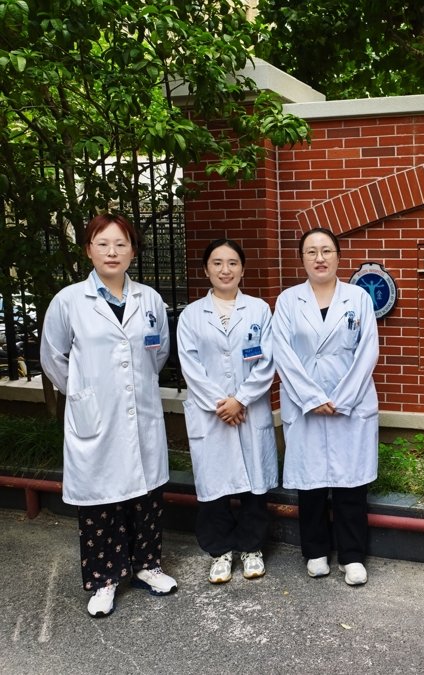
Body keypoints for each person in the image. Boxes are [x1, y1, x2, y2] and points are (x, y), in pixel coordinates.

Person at [40, 212, 177, 618]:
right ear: (89, 250)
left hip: (141, 412)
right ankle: (104, 579)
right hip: (95, 415)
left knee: (146, 492)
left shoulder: (149, 300)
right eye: (103, 244)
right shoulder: (69, 301)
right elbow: (53, 357)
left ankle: (147, 565)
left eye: (121, 244)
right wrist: (83, 393)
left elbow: (158, 351)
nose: (112, 252)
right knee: (101, 498)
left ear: (133, 251)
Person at [273, 227, 379, 586]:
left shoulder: (358, 297)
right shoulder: (289, 300)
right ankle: (315, 551)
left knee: (351, 483)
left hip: (350, 402)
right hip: (306, 404)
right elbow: (283, 353)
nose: (319, 258)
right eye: (311, 251)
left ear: (338, 256)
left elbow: (368, 350)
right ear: (302, 259)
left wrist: (343, 399)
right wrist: (312, 398)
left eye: (326, 251)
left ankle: (352, 556)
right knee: (311, 482)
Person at [176, 239, 278, 584]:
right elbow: (190, 366)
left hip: (248, 409)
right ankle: (219, 551)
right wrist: (222, 404)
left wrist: (242, 399)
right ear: (206, 270)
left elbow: (267, 360)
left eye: (232, 263)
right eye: (217, 263)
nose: (225, 270)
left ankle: (251, 548)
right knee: (214, 486)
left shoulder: (259, 310)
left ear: (242, 269)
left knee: (254, 486)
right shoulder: (191, 315)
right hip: (212, 414)